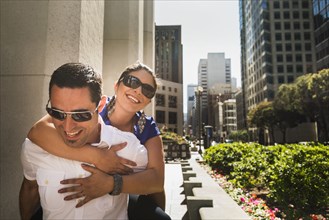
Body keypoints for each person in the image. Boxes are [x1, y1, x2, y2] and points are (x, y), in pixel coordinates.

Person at [27, 62, 171, 220]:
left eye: (147, 89)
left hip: (124, 193)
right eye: (132, 82)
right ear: (116, 85)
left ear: (149, 101)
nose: (138, 90)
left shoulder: (147, 128)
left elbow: (156, 181)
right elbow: (38, 131)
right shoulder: (90, 107)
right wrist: (97, 157)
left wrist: (112, 183)